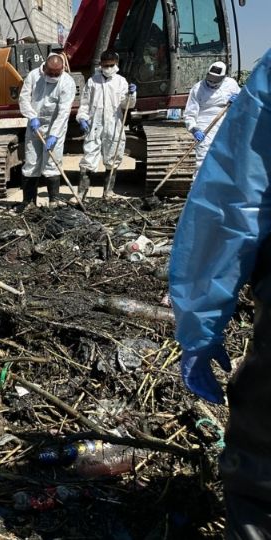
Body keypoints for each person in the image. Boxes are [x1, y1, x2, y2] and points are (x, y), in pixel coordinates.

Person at [169, 49, 270, 538]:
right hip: (202, 140)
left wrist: (200, 321)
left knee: (262, 483)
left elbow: (236, 202)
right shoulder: (207, 91)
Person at [76, 50, 137, 198]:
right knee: (89, 157)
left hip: (114, 124)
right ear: (101, 65)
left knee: (113, 157)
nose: (109, 68)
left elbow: (127, 105)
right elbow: (84, 104)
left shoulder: (121, 81)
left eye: (111, 65)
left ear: (116, 64)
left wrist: (131, 94)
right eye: (106, 65)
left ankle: (108, 192)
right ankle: (82, 193)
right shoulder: (92, 82)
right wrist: (82, 118)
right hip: (94, 125)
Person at [18, 53, 76, 209]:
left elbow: (64, 111)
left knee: (52, 163)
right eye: (51, 74)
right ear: (45, 68)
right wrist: (31, 117)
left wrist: (54, 135)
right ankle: (29, 202)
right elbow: (24, 98)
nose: (53, 77)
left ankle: (53, 202)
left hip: (55, 126)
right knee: (31, 163)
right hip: (34, 126)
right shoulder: (33, 76)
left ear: (62, 69)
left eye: (57, 74)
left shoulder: (67, 82)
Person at [184, 61, 241, 179]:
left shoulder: (231, 84)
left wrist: (239, 99)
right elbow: (190, 113)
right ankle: (197, 192)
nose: (211, 83)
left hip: (226, 121)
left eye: (215, 81)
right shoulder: (197, 88)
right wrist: (194, 129)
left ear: (224, 77)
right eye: (210, 79)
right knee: (203, 159)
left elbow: (244, 105)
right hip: (205, 123)